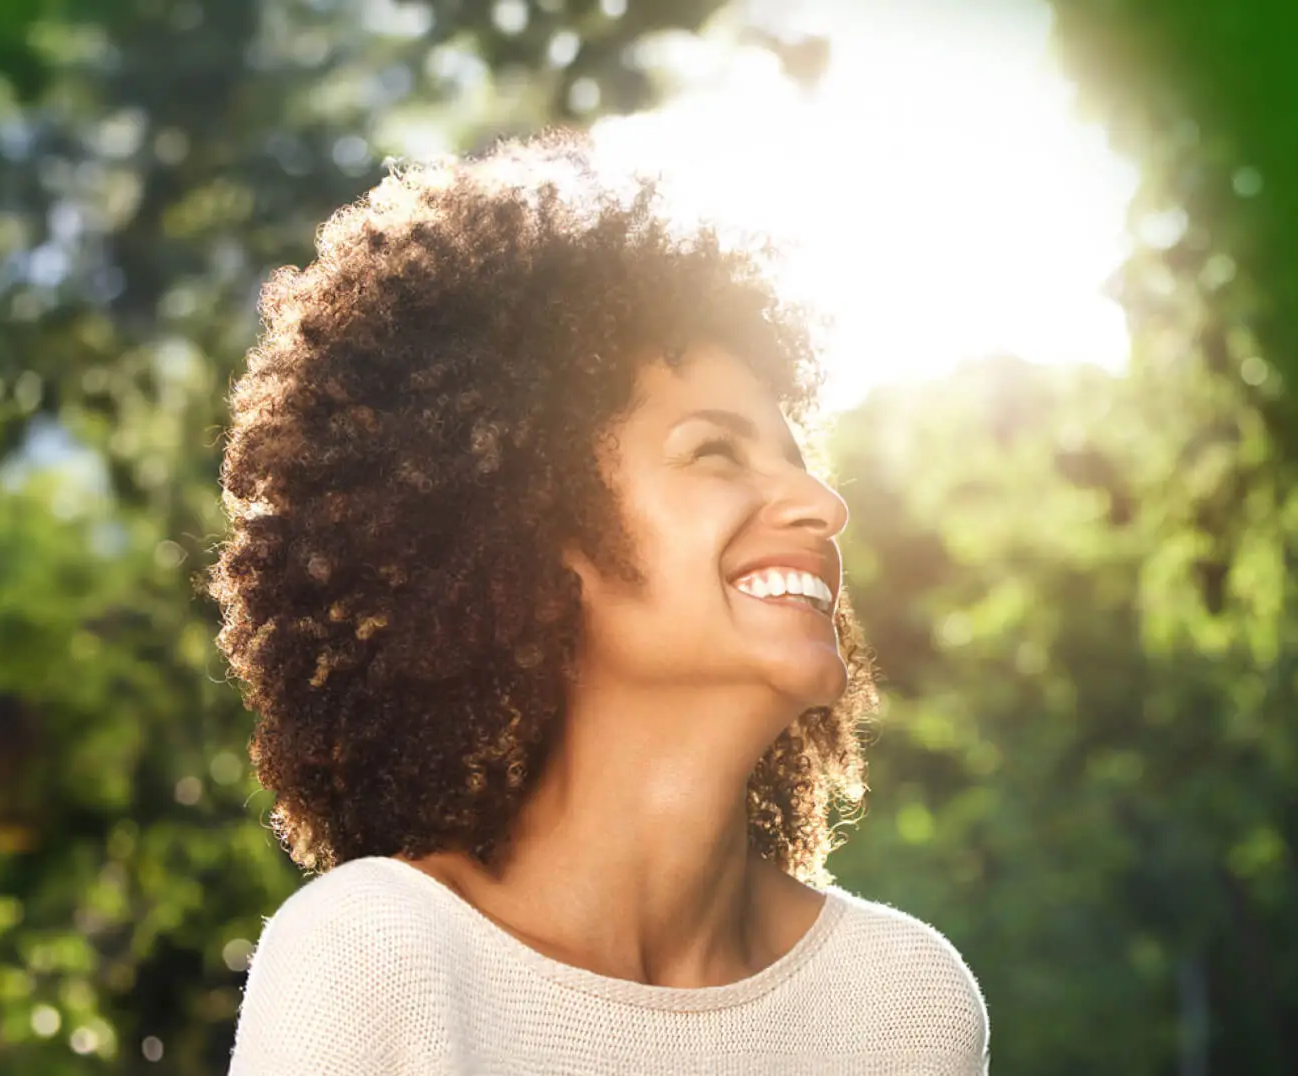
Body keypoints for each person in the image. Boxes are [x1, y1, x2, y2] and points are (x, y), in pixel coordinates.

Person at [207, 130, 989, 1075]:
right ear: (534, 533)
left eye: (800, 461)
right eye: (715, 452)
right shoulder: (377, 958)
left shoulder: (900, 1001)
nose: (824, 506)